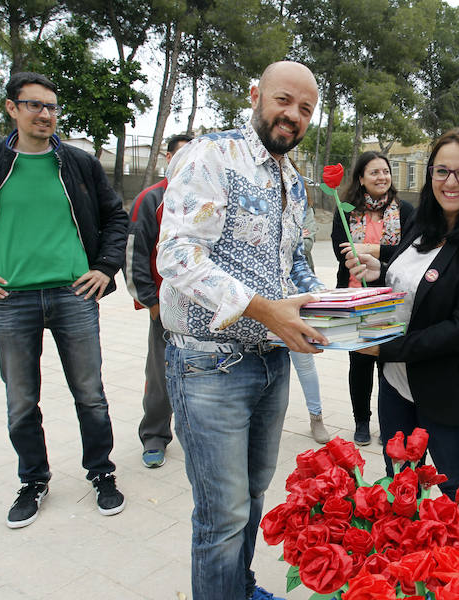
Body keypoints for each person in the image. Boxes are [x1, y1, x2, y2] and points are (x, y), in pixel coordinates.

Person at [156, 61, 326, 600]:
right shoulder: (211, 156)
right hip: (210, 364)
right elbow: (177, 256)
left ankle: (241, 586)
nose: (292, 116)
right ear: (256, 95)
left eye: (305, 109)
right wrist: (264, 310)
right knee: (222, 515)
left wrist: (331, 305)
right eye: (283, 101)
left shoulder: (292, 181)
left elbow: (294, 261)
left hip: (272, 364)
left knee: (252, 498)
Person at [0, 71, 129, 528]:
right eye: (34, 105)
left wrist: (103, 267)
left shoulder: (78, 164)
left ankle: (101, 473)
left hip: (72, 295)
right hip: (9, 299)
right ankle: (34, 481)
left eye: (52, 107)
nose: (45, 114)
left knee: (91, 394)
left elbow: (115, 218)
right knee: (21, 400)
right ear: (11, 108)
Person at [347, 128, 459, 500]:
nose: (451, 182)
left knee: (455, 492)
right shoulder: (424, 222)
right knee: (400, 484)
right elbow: (417, 273)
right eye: (441, 171)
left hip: (450, 388)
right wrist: (379, 266)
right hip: (397, 384)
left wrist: (384, 348)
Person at [331, 151, 415, 445]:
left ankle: (388, 422)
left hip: (392, 300)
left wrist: (370, 250)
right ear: (362, 179)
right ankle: (361, 421)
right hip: (355, 299)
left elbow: (408, 251)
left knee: (388, 363)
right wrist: (362, 251)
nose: (382, 177)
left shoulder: (404, 210)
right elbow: (341, 252)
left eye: (386, 171)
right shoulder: (346, 211)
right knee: (360, 363)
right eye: (375, 172)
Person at [124, 132, 193, 468]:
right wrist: (151, 302)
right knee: (161, 372)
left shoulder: (209, 199)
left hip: (207, 309)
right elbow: (135, 255)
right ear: (168, 159)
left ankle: (199, 435)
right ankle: (154, 436)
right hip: (165, 309)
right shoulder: (151, 199)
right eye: (181, 157)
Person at [293, 202, 330, 444]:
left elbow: (303, 248)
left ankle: (316, 417)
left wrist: (320, 290)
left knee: (304, 362)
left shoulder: (300, 207)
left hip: (298, 296)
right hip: (260, 303)